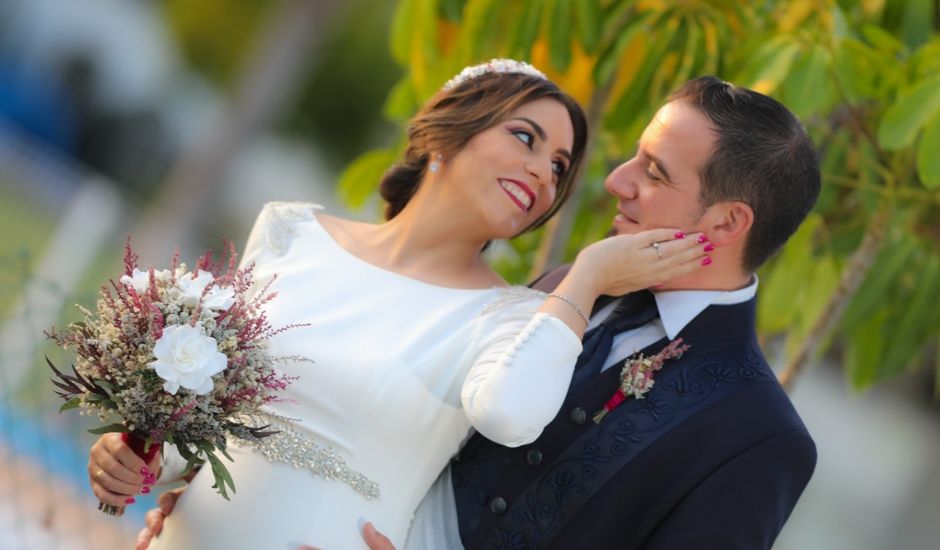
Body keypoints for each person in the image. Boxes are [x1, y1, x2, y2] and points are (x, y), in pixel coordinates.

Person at [135, 76, 820, 550]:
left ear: (728, 222)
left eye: (655, 172)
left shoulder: (758, 435)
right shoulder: (563, 295)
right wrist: (210, 488)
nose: (616, 181)